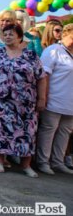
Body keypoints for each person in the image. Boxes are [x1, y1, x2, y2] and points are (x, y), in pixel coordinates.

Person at [0, 23, 45, 178]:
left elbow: (42, 78)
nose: (8, 36)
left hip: (26, 103)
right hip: (1, 101)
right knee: (0, 130)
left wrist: (42, 98)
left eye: (11, 34)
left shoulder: (31, 55)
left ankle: (26, 165)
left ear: (19, 36)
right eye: (5, 34)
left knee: (28, 133)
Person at [36, 23, 73, 175]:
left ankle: (58, 161)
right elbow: (44, 75)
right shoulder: (53, 50)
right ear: (65, 34)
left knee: (65, 132)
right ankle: (43, 162)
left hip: (70, 103)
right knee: (48, 131)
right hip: (54, 100)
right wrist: (42, 97)